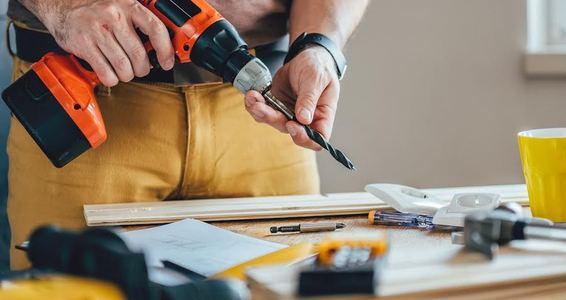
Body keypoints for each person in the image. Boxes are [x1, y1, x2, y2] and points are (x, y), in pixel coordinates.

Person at [5, 0, 369, 269]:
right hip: (82, 98)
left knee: (287, 282)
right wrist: (65, 8)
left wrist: (321, 47)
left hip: (265, 115)